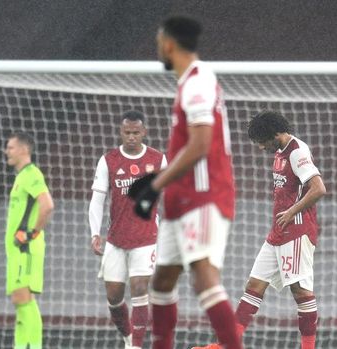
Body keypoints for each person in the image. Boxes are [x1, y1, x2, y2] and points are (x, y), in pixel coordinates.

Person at [128, 16, 241, 349]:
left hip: (203, 197)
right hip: (182, 201)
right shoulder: (190, 82)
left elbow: (201, 144)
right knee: (162, 282)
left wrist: (156, 184)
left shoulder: (197, 82)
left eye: (158, 42)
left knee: (203, 276)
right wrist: (160, 183)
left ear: (168, 44)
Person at [193, 110, 327, 349]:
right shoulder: (280, 152)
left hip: (296, 231)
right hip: (278, 232)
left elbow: (318, 188)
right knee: (254, 285)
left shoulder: (297, 151)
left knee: (300, 291)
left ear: (274, 134)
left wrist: (292, 212)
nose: (260, 147)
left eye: (261, 141)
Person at [89, 110, 167, 349]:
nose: (131, 137)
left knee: (140, 287)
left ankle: (136, 346)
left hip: (146, 238)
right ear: (121, 132)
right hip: (116, 239)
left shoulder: (158, 159)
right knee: (113, 297)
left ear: (144, 132)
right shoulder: (109, 160)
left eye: (136, 132)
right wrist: (94, 232)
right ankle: (128, 337)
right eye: (127, 132)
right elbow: (97, 199)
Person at [4, 132, 54, 349]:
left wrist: (32, 233)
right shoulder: (21, 176)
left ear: (24, 149)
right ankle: (21, 345)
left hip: (26, 249)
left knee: (24, 298)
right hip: (16, 251)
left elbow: (47, 205)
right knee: (19, 299)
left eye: (11, 147)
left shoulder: (32, 174)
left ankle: (33, 346)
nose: (7, 151)